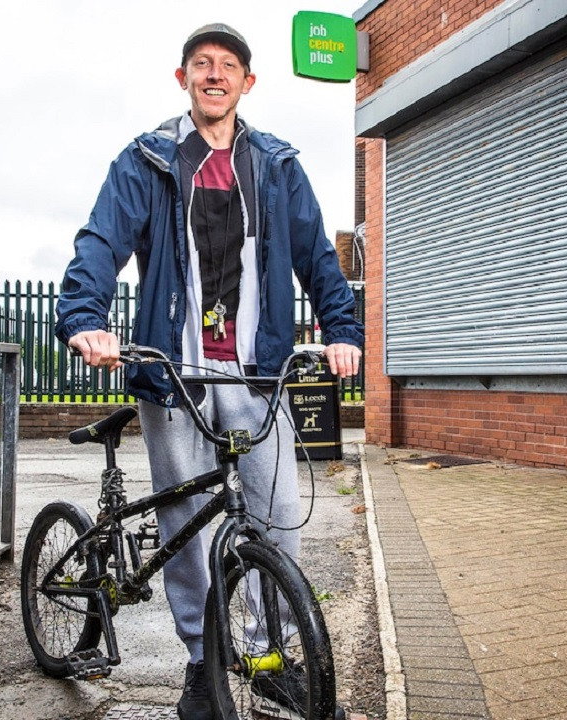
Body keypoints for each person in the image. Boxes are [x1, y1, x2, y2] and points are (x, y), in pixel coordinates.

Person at [55, 23, 362, 720]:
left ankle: (269, 656)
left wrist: (342, 331)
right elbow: (101, 241)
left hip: (256, 373)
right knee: (186, 522)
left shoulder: (277, 165)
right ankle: (203, 660)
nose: (215, 74)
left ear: (247, 83)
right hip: (178, 375)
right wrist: (84, 317)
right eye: (202, 64)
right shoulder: (150, 160)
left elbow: (318, 257)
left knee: (278, 517)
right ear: (183, 78)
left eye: (228, 66)